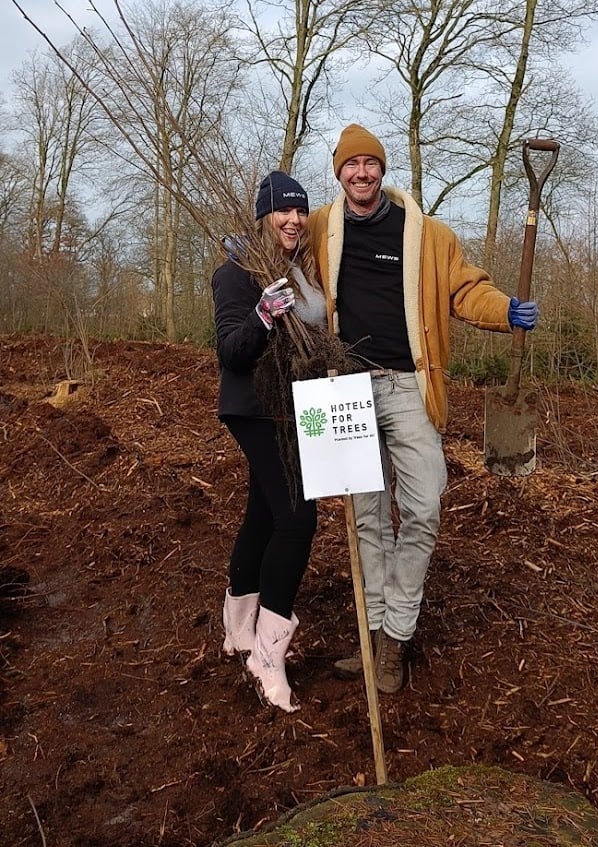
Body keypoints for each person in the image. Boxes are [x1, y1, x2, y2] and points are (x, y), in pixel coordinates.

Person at [308, 124, 539, 694]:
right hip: (343, 390)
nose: (361, 174)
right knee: (363, 517)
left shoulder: (429, 235)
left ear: (382, 171)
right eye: (350, 166)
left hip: (411, 385)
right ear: (338, 173)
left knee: (425, 505)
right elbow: (277, 244)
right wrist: (246, 250)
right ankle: (376, 638)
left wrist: (504, 308)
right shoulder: (319, 227)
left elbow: (465, 290)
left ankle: (397, 631)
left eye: (371, 164)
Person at [212, 171, 327, 713]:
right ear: (263, 216)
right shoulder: (235, 274)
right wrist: (261, 315)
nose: (294, 220)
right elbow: (232, 352)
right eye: (283, 211)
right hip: (256, 409)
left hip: (292, 409)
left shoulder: (294, 270)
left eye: (301, 212)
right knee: (298, 518)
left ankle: (237, 628)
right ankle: (268, 655)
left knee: (264, 513)